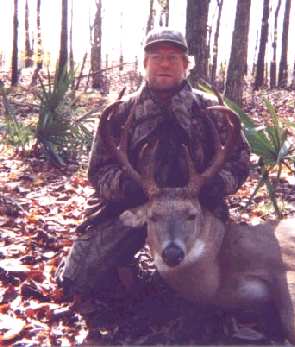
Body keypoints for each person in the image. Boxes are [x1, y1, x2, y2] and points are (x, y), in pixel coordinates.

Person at [56, 28, 250, 297]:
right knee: (76, 283)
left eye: (173, 57)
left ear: (186, 66)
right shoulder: (120, 113)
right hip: (135, 209)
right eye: (156, 56)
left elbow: (239, 161)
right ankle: (122, 261)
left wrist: (217, 184)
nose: (165, 63)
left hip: (196, 212)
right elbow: (99, 171)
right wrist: (126, 187)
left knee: (221, 290)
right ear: (145, 64)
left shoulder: (211, 111)